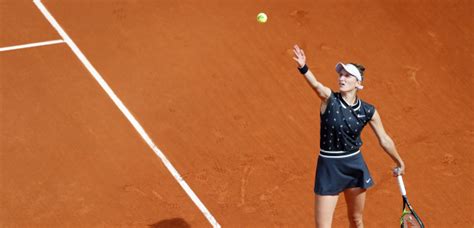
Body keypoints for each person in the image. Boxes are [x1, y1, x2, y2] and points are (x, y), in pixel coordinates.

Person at [292, 44, 405, 228]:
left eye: (347, 75)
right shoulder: (329, 99)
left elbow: (384, 139)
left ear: (358, 83)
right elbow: (316, 85)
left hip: (354, 166)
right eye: (340, 74)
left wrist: (400, 162)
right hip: (329, 167)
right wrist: (304, 67)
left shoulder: (368, 110)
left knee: (356, 220)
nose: (341, 78)